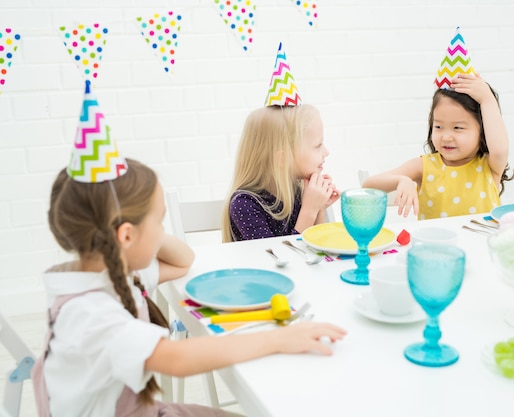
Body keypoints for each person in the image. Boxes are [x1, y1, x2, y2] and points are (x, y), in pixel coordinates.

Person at [38, 158, 347, 416]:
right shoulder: (89, 312)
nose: (162, 232)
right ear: (127, 236)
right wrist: (279, 339)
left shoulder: (111, 270)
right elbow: (177, 359)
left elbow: (183, 261)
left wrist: (146, 232)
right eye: (159, 223)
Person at [362, 73, 514, 220]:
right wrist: (400, 180)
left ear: (483, 131)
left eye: (458, 128)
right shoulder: (423, 166)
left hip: (479, 245)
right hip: (435, 246)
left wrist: (487, 99)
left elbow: (500, 150)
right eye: (439, 127)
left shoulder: (489, 166)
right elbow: (368, 186)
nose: (446, 137)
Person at [222, 104, 339, 242]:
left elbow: (317, 247)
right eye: (317, 145)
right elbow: (279, 257)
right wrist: (309, 210)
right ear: (283, 158)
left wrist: (320, 208)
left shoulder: (298, 190)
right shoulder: (245, 204)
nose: (326, 152)